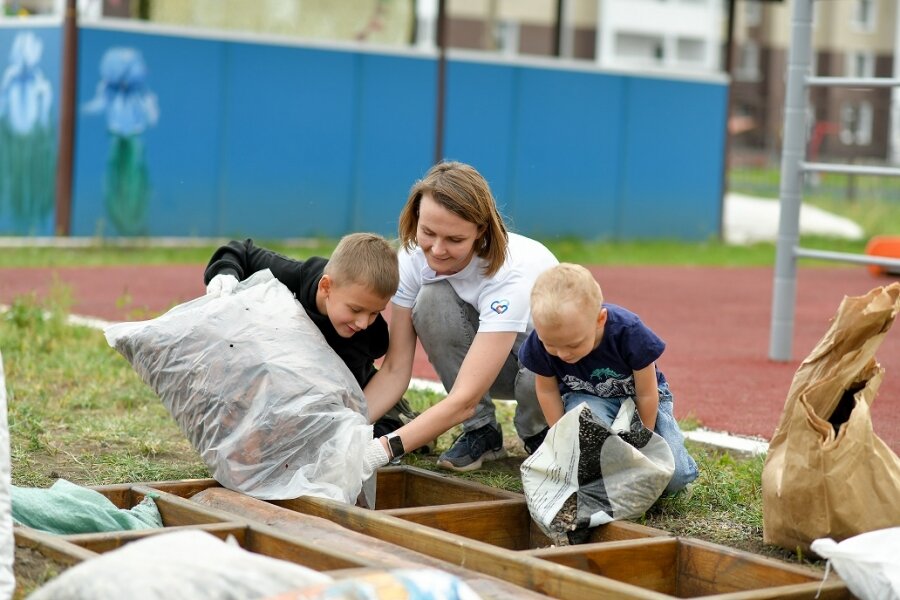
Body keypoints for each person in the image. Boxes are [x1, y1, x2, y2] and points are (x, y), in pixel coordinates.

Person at [362, 161, 558, 474]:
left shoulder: (511, 272)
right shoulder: (412, 256)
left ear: (481, 231)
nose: (437, 250)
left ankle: (539, 432)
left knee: (546, 350)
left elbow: (465, 397)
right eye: (428, 232)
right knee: (431, 298)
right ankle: (482, 432)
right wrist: (345, 429)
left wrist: (377, 451)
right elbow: (396, 369)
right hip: (489, 364)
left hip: (549, 373)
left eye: (454, 240)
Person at [204, 233, 418, 438]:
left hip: (349, 389)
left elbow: (340, 400)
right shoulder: (296, 277)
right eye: (355, 309)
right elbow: (241, 252)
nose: (363, 323)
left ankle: (402, 416)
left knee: (361, 435)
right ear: (326, 286)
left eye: (374, 313)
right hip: (289, 370)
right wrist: (224, 274)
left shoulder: (365, 337)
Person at [517, 262, 698, 495]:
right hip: (588, 398)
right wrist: (561, 437)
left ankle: (685, 468)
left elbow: (646, 391)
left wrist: (642, 440)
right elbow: (547, 391)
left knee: (672, 479)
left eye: (573, 344)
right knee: (585, 466)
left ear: (600, 320)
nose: (563, 354)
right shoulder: (540, 341)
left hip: (640, 397)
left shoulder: (629, 331)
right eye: (551, 345)